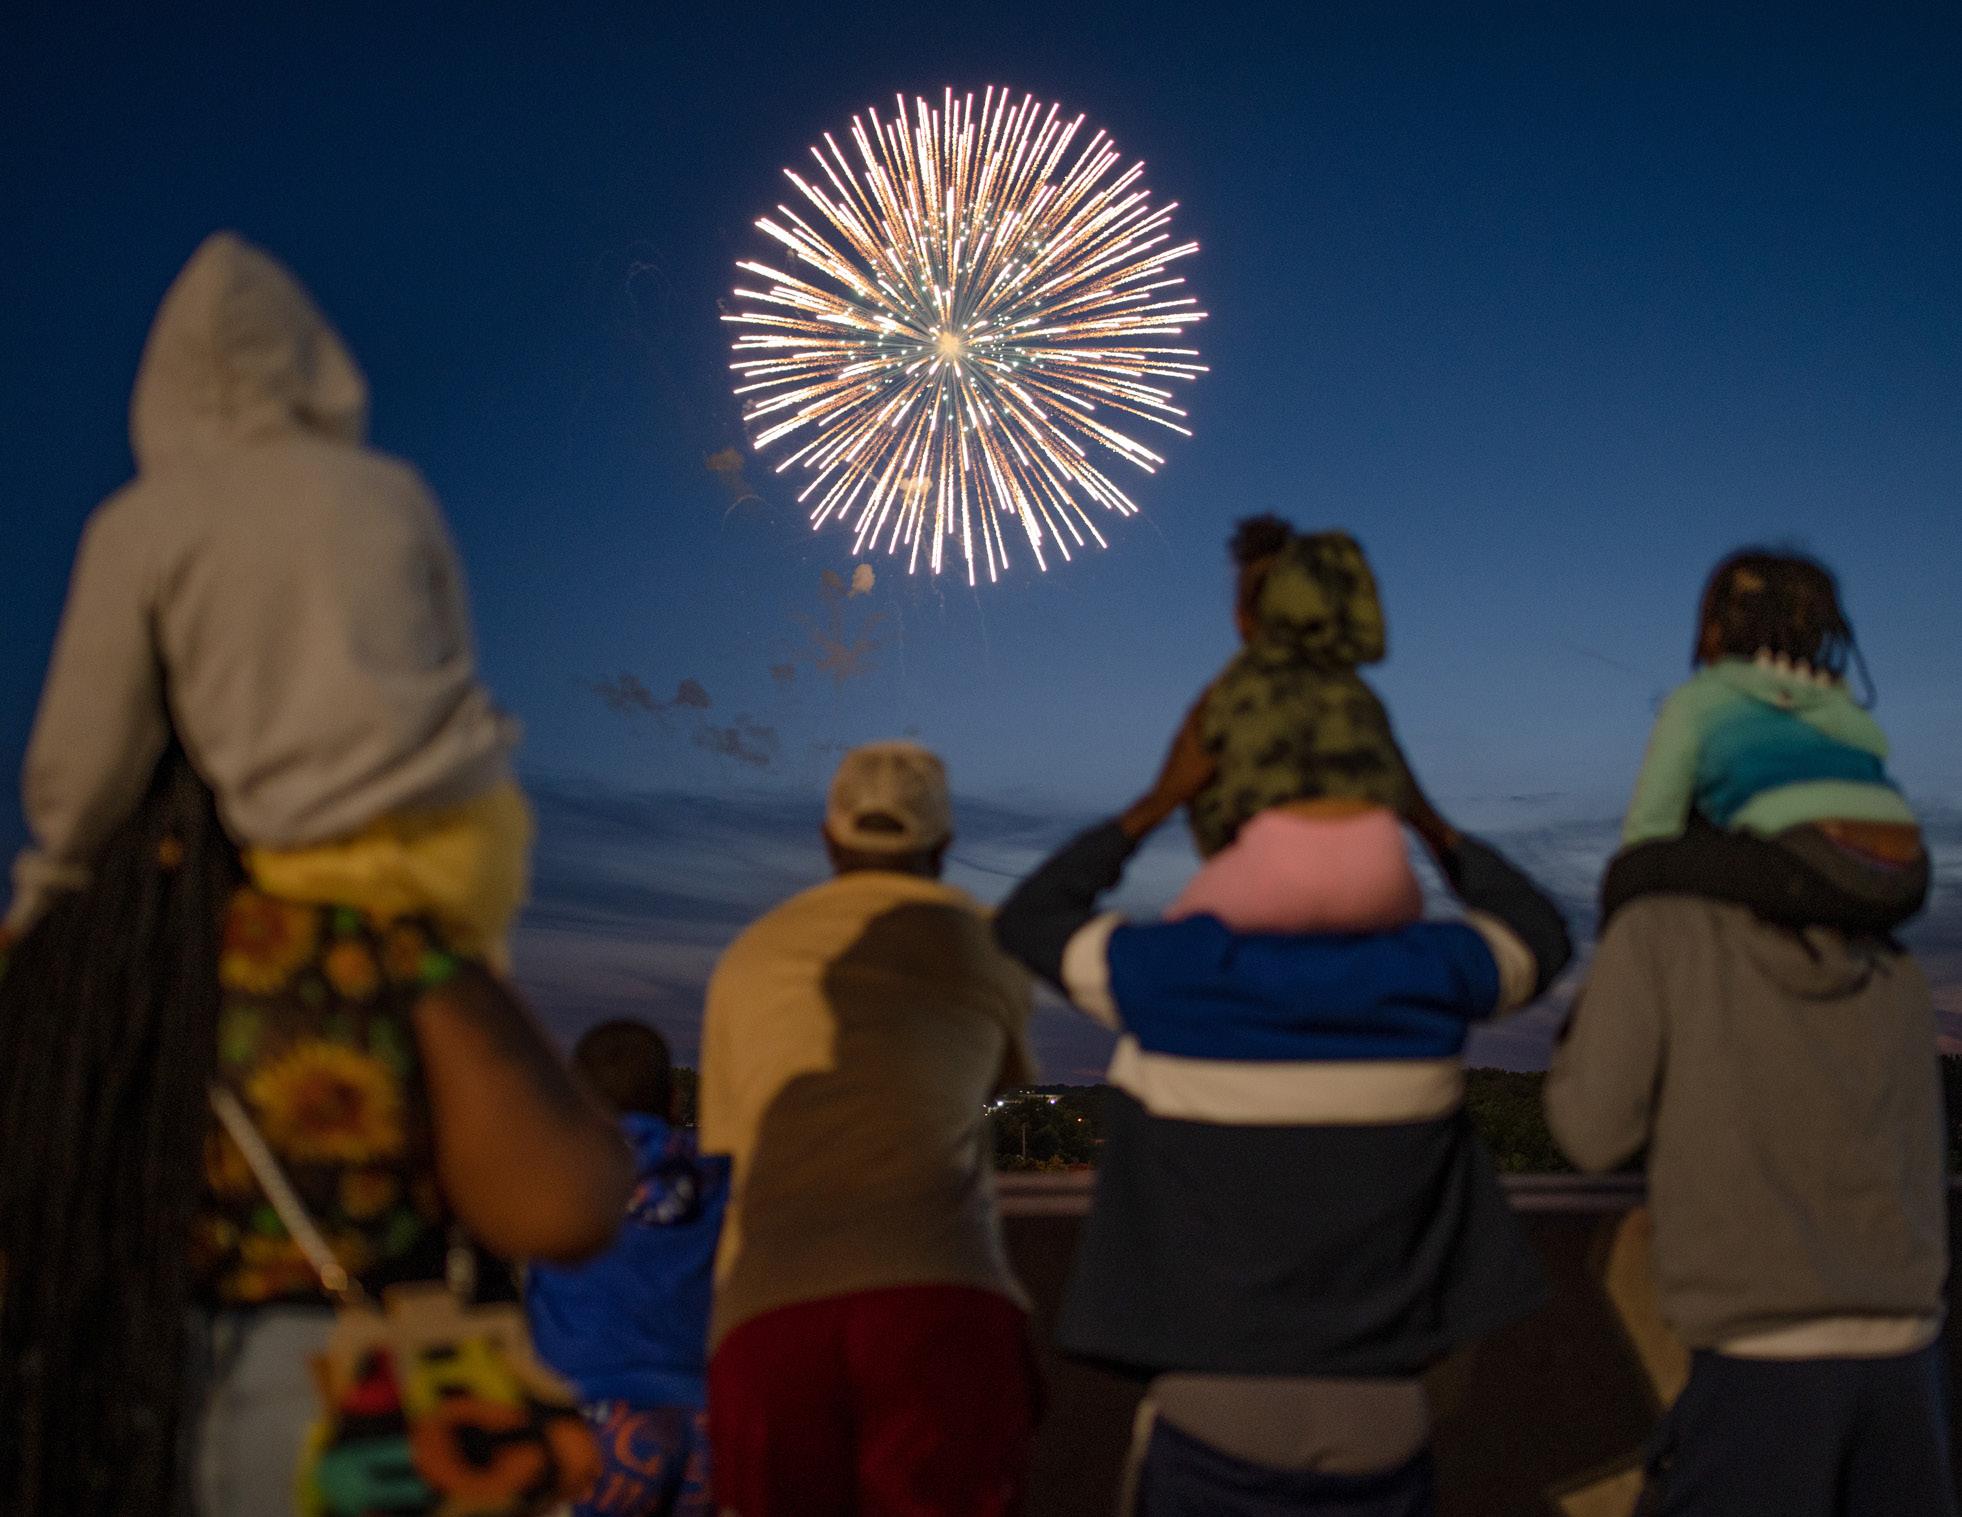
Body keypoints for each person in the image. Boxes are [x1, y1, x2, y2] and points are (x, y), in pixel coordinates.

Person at [0, 232, 634, 1517]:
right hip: (360, 1437)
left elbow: (81, 762)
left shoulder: (68, 984)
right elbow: (567, 1203)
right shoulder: (369, 953)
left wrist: (55, 883)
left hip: (101, 1415)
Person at [994, 706, 1572, 1516]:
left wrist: (1155, 803)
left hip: (1211, 1413)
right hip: (1385, 1421)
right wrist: (1426, 817)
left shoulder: (1170, 974)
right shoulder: (1434, 972)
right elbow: (1541, 933)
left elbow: (1030, 919)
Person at [6, 230, 533, 968]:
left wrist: (45, 899)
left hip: (316, 858)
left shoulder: (141, 521)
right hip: (478, 834)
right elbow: (457, 665)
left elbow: (83, 767)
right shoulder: (395, 490)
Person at [1544, 861, 1954, 1513]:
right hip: (1908, 1360)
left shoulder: (1659, 932)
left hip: (1759, 1361)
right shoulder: (1890, 961)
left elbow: (1592, 1135)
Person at [699, 741, 1040, 1517]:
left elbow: (726, 1153)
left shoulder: (746, 956)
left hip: (769, 1310)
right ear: (944, 845)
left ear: (829, 838)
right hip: (941, 1295)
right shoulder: (987, 939)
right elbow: (995, 1083)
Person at [1612, 549, 1926, 930]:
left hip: (1805, 862)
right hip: (1906, 872)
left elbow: (1649, 828)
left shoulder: (1699, 700)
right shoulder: (1839, 698)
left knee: (1635, 869)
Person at [1172, 517, 1455, 934]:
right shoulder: (1357, 695)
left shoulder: (1230, 693)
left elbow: (1208, 820)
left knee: (1184, 934)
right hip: (1383, 880)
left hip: (1269, 882)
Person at [527, 1021, 728, 1517]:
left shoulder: (552, 1172)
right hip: (706, 1425)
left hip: (594, 1422)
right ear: (674, 1101)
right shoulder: (716, 1176)